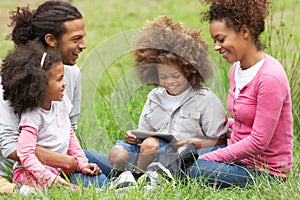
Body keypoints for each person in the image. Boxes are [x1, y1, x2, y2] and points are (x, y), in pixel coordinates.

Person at [0, 0, 111, 189]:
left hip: (62, 156)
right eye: (76, 39)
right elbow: (10, 146)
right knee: (99, 183)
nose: (83, 45)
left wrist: (78, 161)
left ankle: (140, 176)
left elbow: (69, 128)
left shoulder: (72, 73)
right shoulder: (13, 79)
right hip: (30, 169)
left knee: (113, 164)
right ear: (51, 40)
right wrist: (64, 162)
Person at [187, 0, 293, 188]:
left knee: (191, 167)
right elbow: (241, 122)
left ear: (244, 32)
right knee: (181, 154)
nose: (217, 47)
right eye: (215, 42)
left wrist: (211, 158)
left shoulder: (270, 77)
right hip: (236, 157)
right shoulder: (235, 69)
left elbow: (258, 142)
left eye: (221, 39)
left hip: (262, 171)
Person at [108, 15, 229, 173]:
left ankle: (138, 177)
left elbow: (219, 141)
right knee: (117, 153)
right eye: (163, 77)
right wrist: (134, 136)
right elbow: (144, 132)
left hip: (184, 154)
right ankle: (134, 172)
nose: (169, 82)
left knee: (150, 146)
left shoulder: (204, 99)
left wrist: (190, 143)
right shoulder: (154, 97)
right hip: (149, 150)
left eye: (176, 76)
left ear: (189, 69)